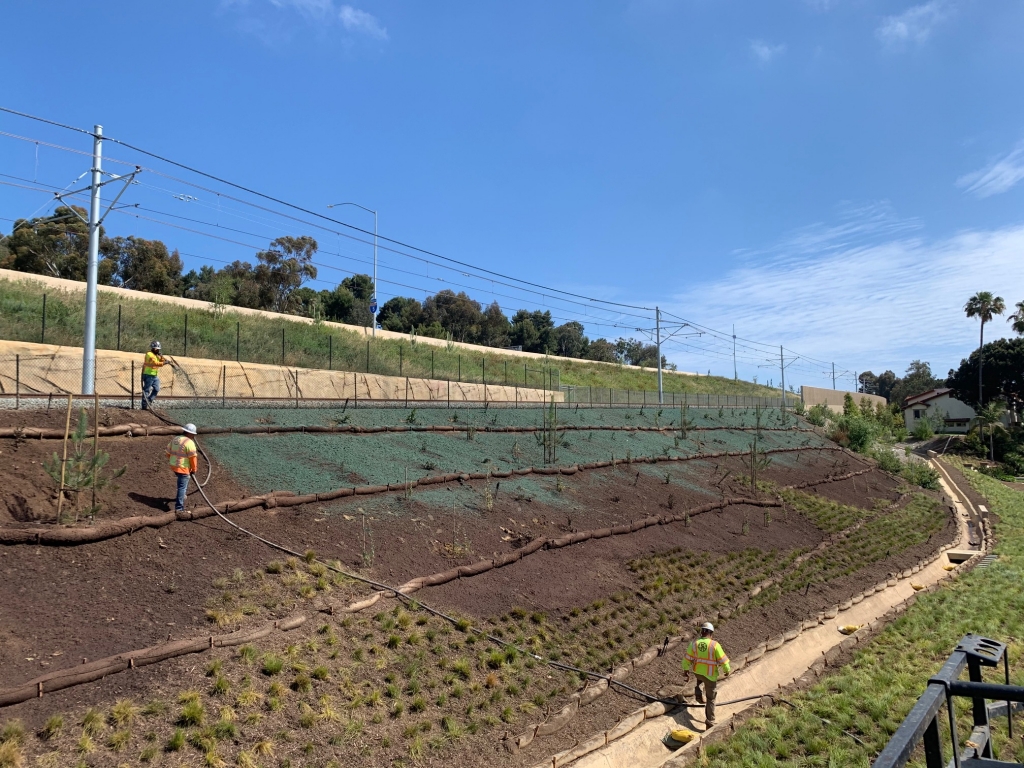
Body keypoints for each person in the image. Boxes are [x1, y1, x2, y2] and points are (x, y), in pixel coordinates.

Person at [681, 622, 731, 727]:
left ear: (702, 632)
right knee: (711, 698)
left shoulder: (694, 644)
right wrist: (727, 670)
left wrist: (686, 670)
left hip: (698, 672)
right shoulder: (714, 645)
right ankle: (710, 721)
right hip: (710, 675)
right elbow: (723, 661)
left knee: (700, 679)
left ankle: (698, 690)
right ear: (711, 633)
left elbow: (687, 659)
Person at [166, 424, 198, 512]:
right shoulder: (190, 443)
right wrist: (194, 469)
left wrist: (173, 461)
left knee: (182, 483)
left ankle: (182, 495)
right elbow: (193, 458)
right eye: (193, 434)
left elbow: (168, 452)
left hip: (174, 466)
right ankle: (179, 508)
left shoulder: (175, 439)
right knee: (182, 487)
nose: (194, 436)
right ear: (190, 433)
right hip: (183, 468)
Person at [141, 341, 167, 410]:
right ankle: (144, 406)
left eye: (158, 349)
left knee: (157, 389)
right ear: (152, 348)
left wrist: (161, 357)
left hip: (154, 375)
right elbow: (155, 363)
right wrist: (164, 363)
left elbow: (161, 361)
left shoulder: (156, 355)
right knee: (146, 390)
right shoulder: (149, 354)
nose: (157, 350)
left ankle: (149, 400)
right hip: (148, 375)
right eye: (156, 349)